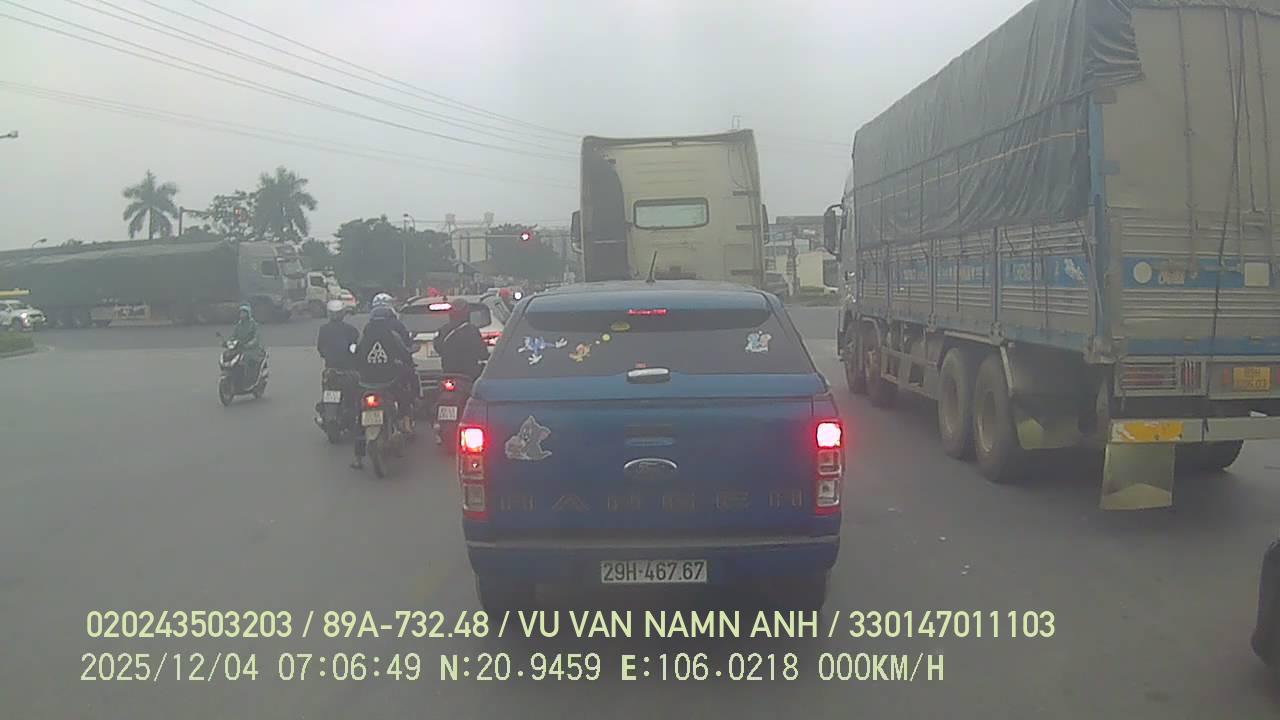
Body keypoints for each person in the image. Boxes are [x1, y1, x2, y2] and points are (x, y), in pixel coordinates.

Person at [351, 305, 415, 469]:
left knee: (359, 416)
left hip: (366, 383)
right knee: (403, 398)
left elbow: (356, 356)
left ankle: (358, 458)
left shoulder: (364, 337)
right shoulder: (393, 336)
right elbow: (404, 353)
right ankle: (403, 424)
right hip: (388, 382)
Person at [435, 298, 487, 381]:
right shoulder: (471, 330)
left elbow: (438, 347)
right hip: (469, 373)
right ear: (466, 313)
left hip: (449, 371)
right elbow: (482, 351)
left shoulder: (444, 329)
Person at [229, 304, 265, 387]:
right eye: (240, 313)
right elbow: (234, 336)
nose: (242, 315)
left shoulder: (253, 324)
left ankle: (248, 380)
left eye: (244, 313)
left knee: (244, 359)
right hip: (240, 348)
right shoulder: (238, 325)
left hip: (252, 349)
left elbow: (256, 338)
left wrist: (249, 344)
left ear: (248, 314)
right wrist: (229, 342)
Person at [316, 299, 358, 370]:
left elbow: (320, 347)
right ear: (343, 313)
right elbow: (355, 347)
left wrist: (327, 355)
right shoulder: (351, 329)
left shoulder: (324, 329)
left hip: (331, 365)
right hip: (347, 365)